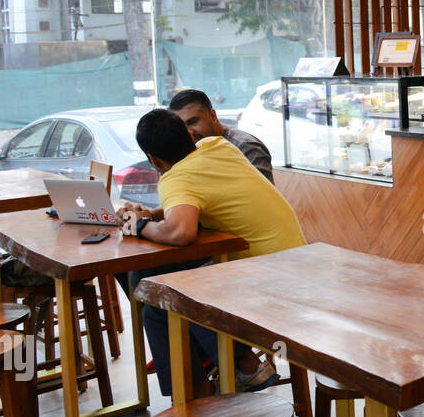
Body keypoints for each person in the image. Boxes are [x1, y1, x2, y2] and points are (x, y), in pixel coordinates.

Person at [118, 109, 306, 397]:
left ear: (154, 160)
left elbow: (181, 232)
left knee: (155, 288)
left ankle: (204, 397)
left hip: (270, 283)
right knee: (156, 300)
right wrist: (152, 216)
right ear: (190, 135)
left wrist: (141, 224)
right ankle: (236, 368)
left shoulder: (175, 178)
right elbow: (188, 209)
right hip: (299, 265)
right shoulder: (216, 146)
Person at [167, 88, 273, 183]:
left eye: (193, 122)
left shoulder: (246, 147)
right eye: (182, 126)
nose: (189, 132)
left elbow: (264, 198)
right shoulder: (190, 149)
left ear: (213, 116)